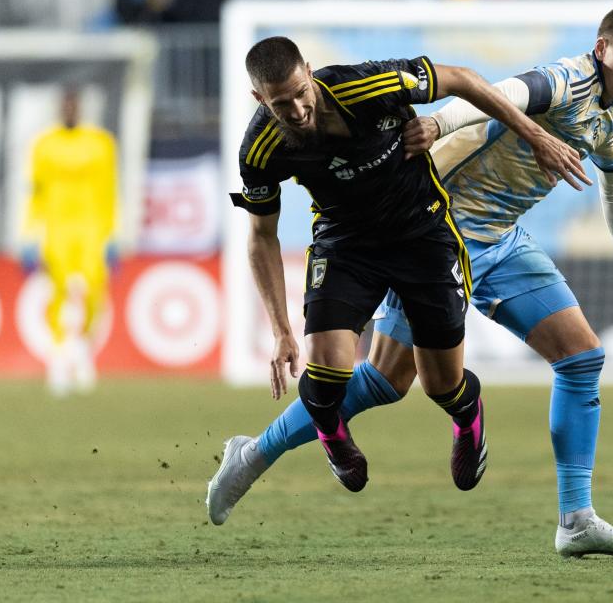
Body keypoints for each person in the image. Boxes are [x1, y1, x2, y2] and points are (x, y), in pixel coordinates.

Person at [208, 3, 613, 558]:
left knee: (580, 358)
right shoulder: (567, 80)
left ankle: (576, 519)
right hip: (437, 226)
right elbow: (502, 91)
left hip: (501, 238)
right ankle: (254, 454)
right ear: (603, 48)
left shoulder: (610, 114)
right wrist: (438, 122)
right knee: (385, 382)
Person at [208, 37, 587, 502]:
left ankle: (467, 416)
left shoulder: (370, 85)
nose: (297, 110)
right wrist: (281, 330)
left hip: (422, 234)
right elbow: (261, 236)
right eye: (281, 103)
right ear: (259, 99)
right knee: (326, 372)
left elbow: (463, 80)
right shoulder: (260, 149)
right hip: (347, 244)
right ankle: (332, 436)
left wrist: (538, 136)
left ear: (309, 71)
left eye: (300, 93)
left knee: (440, 384)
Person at [21, 88, 119, 394]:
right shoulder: (44, 144)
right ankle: (60, 359)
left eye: (73, 105)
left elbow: (110, 190)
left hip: (92, 228)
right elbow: (35, 193)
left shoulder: (101, 143)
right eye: (65, 105)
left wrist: (113, 234)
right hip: (57, 228)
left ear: (80, 108)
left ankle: (82, 351)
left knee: (93, 292)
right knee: (59, 293)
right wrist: (29, 234)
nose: (69, 110)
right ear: (59, 109)